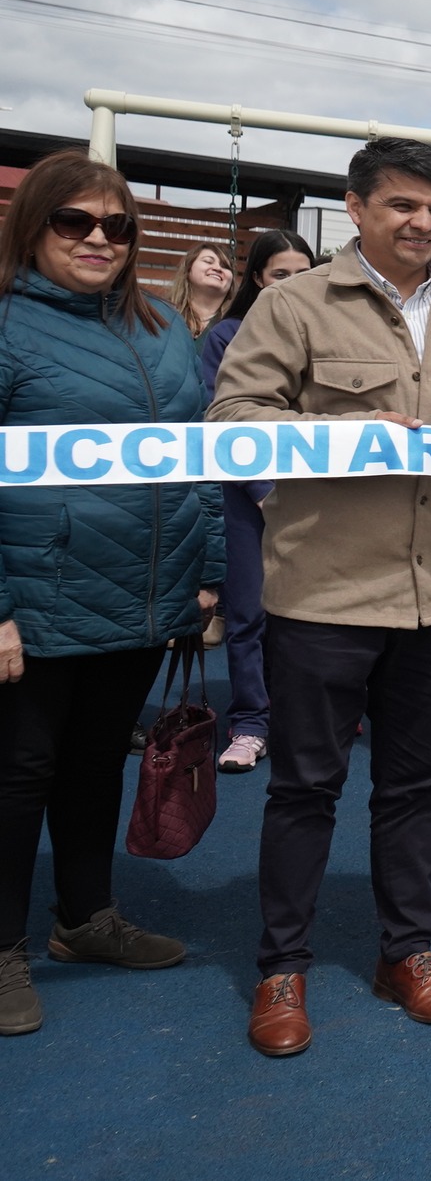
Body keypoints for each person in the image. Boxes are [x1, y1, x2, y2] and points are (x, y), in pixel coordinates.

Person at [211, 137, 431, 1055]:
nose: (423, 223)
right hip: (324, 594)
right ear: (355, 207)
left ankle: (406, 955)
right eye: (402, 206)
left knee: (413, 791)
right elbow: (231, 423)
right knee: (305, 791)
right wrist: (337, 432)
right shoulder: (294, 304)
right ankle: (281, 969)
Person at [0, 151, 223, 1038]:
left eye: (117, 226)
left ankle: (84, 921)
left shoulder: (163, 326)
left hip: (144, 594)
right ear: (34, 228)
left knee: (96, 764)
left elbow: (198, 455)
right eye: (75, 223)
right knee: (18, 777)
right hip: (35, 596)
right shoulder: (8, 325)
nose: (99, 239)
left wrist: (204, 570)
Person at [199, 228, 315, 774]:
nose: (292, 285)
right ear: (257, 280)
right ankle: (249, 722)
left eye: (303, 273)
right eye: (280, 275)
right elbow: (219, 422)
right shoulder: (226, 335)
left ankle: (306, 713)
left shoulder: (328, 333)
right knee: (248, 614)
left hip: (320, 500)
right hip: (250, 502)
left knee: (315, 616)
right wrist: (265, 492)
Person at [168, 241, 235, 339]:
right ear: (188, 269)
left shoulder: (239, 326)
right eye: (208, 261)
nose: (217, 268)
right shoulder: (164, 315)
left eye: (225, 266)